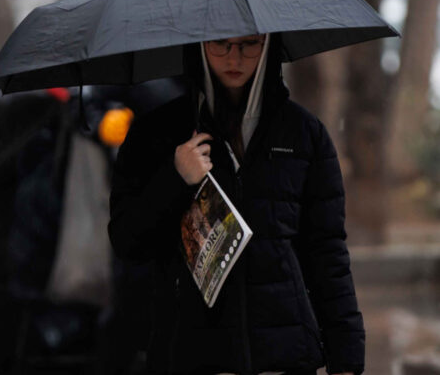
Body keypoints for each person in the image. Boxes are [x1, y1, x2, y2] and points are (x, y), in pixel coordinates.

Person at [108, 33, 364, 374]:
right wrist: (175, 178)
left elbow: (327, 253)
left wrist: (345, 359)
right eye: (220, 44)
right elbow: (127, 241)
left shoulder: (304, 134)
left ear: (269, 44)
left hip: (283, 356)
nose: (234, 58)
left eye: (249, 44)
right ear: (199, 45)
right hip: (189, 352)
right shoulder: (157, 134)